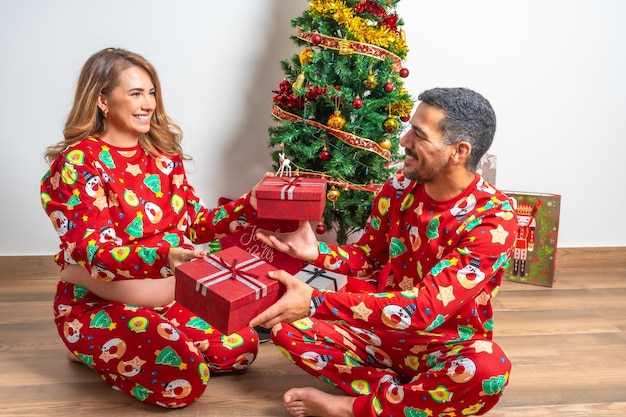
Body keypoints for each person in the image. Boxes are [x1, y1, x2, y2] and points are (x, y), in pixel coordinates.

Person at [250, 87, 518, 417]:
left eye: (418, 135)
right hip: (381, 336)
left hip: (446, 347)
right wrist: (315, 252)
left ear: (458, 152)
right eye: (410, 128)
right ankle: (404, 399)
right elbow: (369, 259)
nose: (404, 141)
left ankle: (353, 407)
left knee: (488, 369)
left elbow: (425, 309)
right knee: (286, 329)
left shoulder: (494, 218)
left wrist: (317, 300)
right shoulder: (399, 187)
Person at [40, 47, 264, 408]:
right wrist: (165, 256)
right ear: (102, 100)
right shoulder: (79, 162)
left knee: (242, 347)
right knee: (184, 381)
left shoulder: (162, 154)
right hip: (97, 306)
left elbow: (195, 222)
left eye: (152, 92)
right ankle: (85, 343)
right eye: (135, 93)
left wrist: (248, 206)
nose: (149, 103)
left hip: (169, 303)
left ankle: (162, 340)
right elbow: (93, 253)